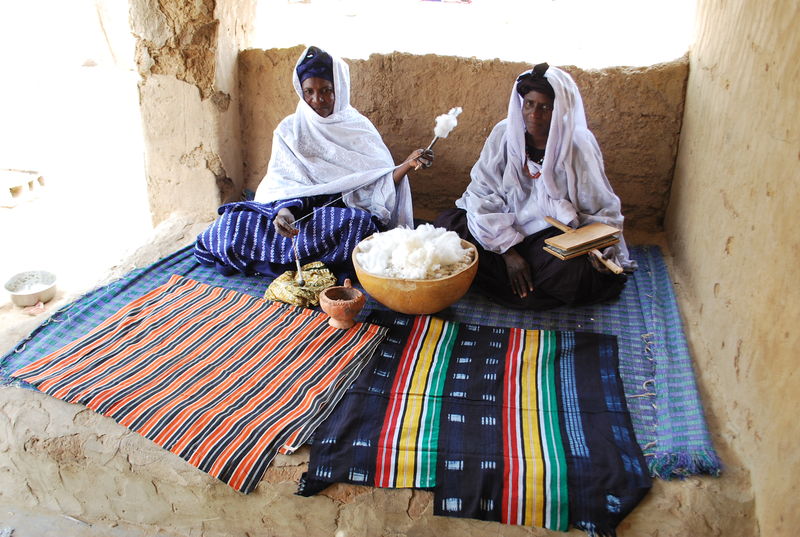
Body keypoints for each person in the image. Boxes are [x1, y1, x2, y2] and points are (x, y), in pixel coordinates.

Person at [195, 46, 433, 279]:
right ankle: (302, 267)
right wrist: (284, 213)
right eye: (309, 91)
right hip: (292, 210)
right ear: (300, 91)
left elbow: (376, 183)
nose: (317, 100)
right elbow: (282, 183)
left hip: (337, 215)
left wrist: (407, 165)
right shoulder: (289, 129)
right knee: (231, 224)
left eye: (326, 90)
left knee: (360, 227)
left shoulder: (358, 128)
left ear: (340, 89)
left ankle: (279, 265)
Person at [435, 63, 634, 310]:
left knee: (572, 272)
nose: (534, 114)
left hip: (551, 233)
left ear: (560, 110)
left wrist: (598, 243)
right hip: (502, 224)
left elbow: (601, 207)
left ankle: (505, 279)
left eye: (545, 107)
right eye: (529, 104)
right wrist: (508, 252)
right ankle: (516, 276)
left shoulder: (578, 145)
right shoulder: (504, 134)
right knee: (448, 228)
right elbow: (480, 190)